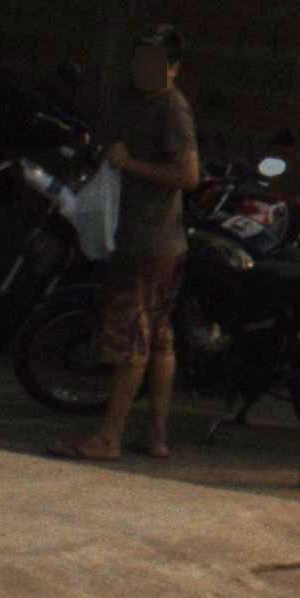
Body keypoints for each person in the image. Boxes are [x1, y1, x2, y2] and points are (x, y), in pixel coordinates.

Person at [67, 23, 201, 462]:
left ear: (173, 68)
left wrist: (129, 164)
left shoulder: (171, 109)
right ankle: (156, 435)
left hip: (147, 240)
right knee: (159, 339)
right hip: (161, 241)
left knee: (132, 340)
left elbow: (188, 175)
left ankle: (109, 437)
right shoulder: (146, 104)